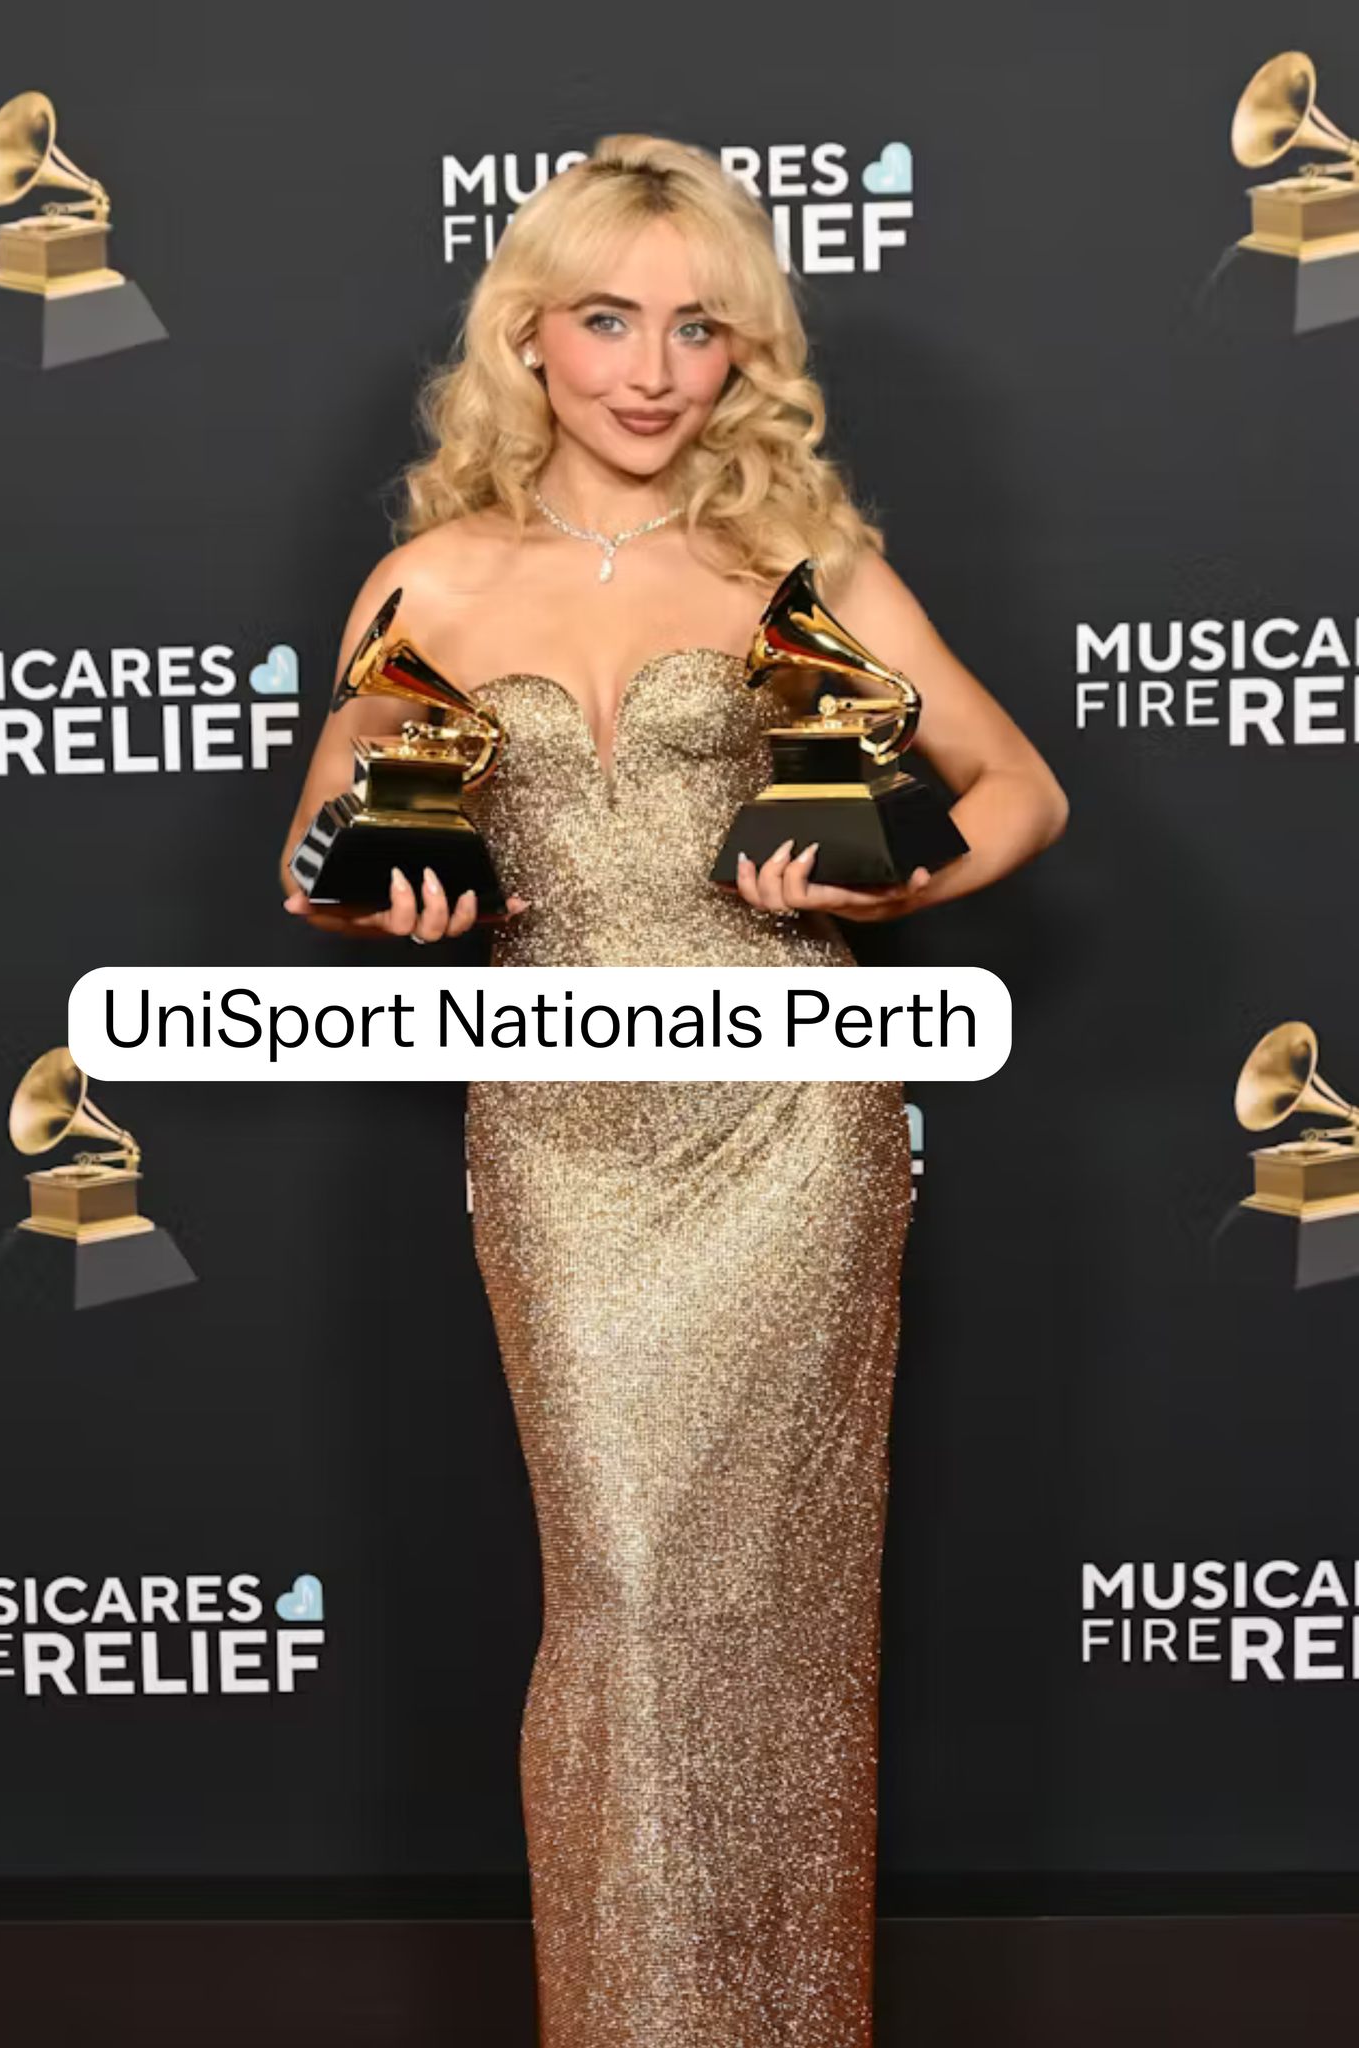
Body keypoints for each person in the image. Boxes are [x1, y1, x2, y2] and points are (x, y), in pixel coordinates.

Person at [279, 133, 1066, 2048]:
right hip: (559, 1134)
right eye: (609, 320)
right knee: (623, 1593)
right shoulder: (430, 580)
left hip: (790, 1121)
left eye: (697, 328)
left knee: (774, 1605)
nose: (650, 370)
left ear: (742, 355)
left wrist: (886, 889)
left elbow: (1020, 792)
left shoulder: (797, 566)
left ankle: (784, 2021)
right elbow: (313, 851)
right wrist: (386, 898)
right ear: (528, 338)